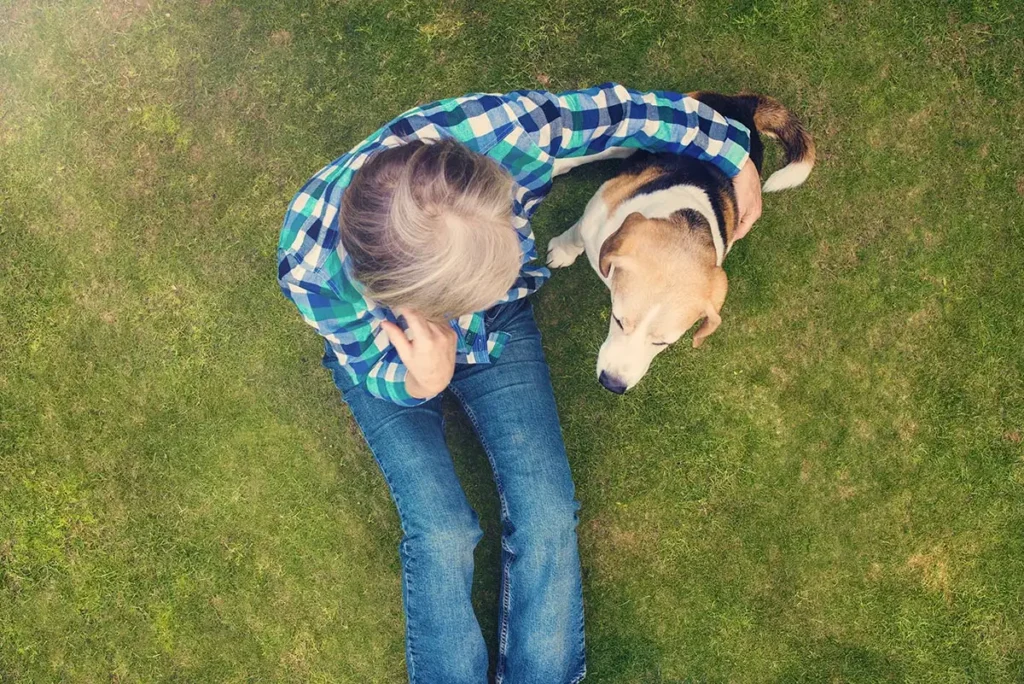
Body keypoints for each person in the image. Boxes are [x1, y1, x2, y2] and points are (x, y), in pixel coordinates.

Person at [277, 83, 762, 684]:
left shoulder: (501, 133)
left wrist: (732, 149)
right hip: (382, 356)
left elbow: (625, 111)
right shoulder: (312, 269)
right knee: (444, 531)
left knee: (548, 511)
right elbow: (367, 362)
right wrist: (416, 382)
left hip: (495, 325)